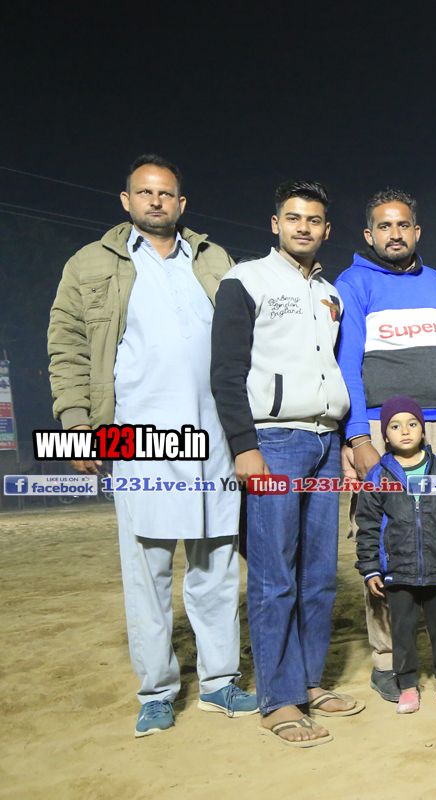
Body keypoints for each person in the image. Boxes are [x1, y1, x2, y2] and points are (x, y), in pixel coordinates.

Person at [47, 154, 255, 738]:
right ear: (126, 200)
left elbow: (248, 337)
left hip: (215, 433)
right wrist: (76, 424)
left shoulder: (213, 259)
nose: (156, 201)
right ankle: (157, 692)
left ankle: (219, 683)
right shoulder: (89, 263)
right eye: (145, 192)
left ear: (181, 203)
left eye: (166, 193)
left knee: (216, 566)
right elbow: (66, 343)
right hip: (138, 435)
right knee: (148, 571)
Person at [210, 180, 358, 747]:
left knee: (318, 576)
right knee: (274, 576)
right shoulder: (245, 280)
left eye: (313, 219)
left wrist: (345, 439)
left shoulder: (330, 293)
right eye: (293, 217)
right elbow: (226, 372)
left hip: (325, 443)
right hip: (273, 443)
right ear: (276, 224)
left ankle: (309, 682)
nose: (303, 227)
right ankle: (278, 700)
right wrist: (243, 446)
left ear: (326, 229)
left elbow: (332, 368)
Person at [333, 189, 436, 701]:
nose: (395, 234)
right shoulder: (353, 283)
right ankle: (387, 658)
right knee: (386, 537)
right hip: (381, 429)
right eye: (384, 226)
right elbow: (347, 366)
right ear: (369, 234)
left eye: (403, 225)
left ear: (417, 231)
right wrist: (358, 436)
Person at [355, 395, 436, 713]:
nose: (405, 431)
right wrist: (371, 568)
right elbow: (368, 525)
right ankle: (408, 685)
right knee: (402, 631)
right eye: (395, 426)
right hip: (399, 571)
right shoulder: (378, 476)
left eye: (412, 424)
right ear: (385, 435)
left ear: (423, 431)